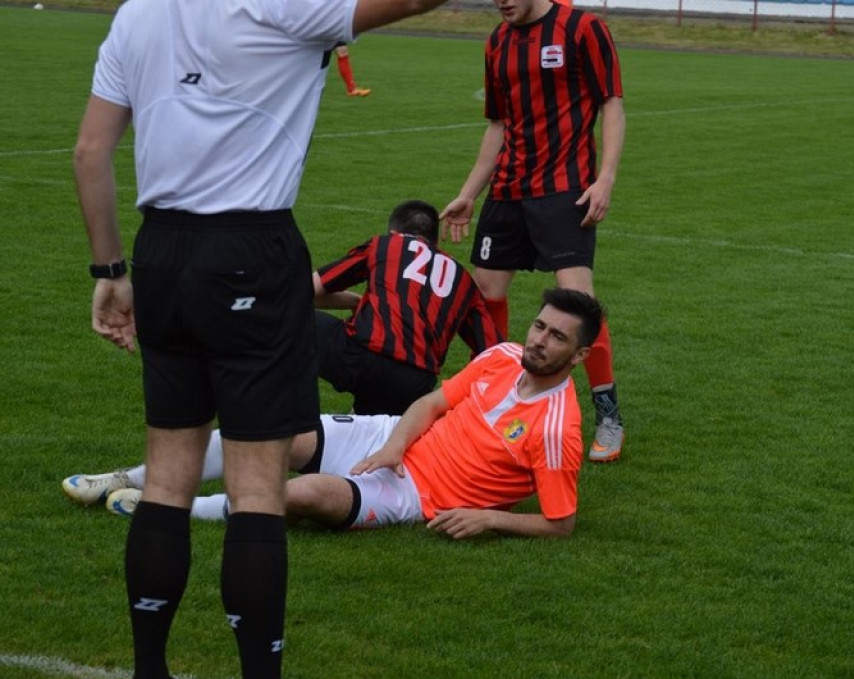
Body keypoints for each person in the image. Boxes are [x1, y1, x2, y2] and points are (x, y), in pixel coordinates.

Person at [73, 0, 456, 676]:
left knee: (166, 479)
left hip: (160, 249)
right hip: (253, 246)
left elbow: (90, 151)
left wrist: (109, 270)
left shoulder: (138, 12)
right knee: (255, 490)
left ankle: (148, 668)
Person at [88, 289, 605, 540]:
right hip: (389, 437)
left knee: (306, 494)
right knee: (270, 434)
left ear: (580, 356)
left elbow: (561, 524)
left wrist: (487, 517)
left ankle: (169, 509)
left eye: (557, 336)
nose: (539, 339)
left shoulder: (559, 429)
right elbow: (430, 404)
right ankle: (123, 477)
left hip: (416, 494)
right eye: (540, 326)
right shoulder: (500, 356)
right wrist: (394, 445)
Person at [439, 0, 627, 464]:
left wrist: (605, 178)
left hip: (565, 189)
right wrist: (469, 192)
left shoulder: (582, 28)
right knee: (485, 293)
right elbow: (498, 125)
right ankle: (490, 393)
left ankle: (608, 415)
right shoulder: (497, 41)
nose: (501, 2)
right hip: (506, 191)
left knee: (578, 303)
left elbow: (612, 105)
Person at [314, 199, 502, 415]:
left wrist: (354, 302)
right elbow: (494, 350)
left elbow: (307, 290)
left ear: (395, 232)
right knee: (377, 434)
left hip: (360, 356)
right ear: (434, 240)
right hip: (415, 383)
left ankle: (291, 420)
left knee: (285, 316)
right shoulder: (464, 281)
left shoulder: (385, 245)